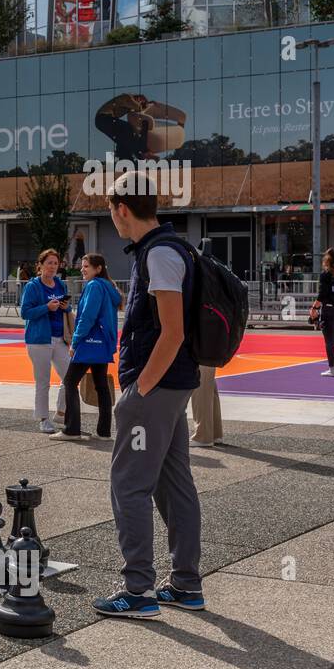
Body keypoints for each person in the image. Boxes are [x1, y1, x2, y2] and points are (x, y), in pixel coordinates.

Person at [94, 171, 204, 619]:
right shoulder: (169, 247)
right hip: (175, 386)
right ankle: (185, 584)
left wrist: (139, 389)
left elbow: (172, 332)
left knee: (129, 484)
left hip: (156, 387)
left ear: (122, 209)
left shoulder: (158, 254)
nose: (114, 220)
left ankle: (138, 590)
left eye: (111, 212)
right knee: (173, 483)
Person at [51, 253, 121, 441]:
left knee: (70, 382)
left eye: (86, 266)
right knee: (101, 386)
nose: (82, 269)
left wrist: (75, 340)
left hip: (90, 342)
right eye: (82, 266)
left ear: (98, 269)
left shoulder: (94, 286)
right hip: (103, 343)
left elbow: (87, 317)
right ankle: (104, 431)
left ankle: (71, 429)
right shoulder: (109, 287)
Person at [20, 249, 72, 434]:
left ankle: (61, 411)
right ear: (40, 265)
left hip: (60, 338)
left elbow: (67, 308)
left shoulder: (60, 284)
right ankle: (43, 419)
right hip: (39, 339)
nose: (52, 266)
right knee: (43, 382)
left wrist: (66, 307)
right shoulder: (33, 286)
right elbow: (25, 312)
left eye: (55, 263)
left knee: (70, 376)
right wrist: (46, 307)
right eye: (49, 263)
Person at [189, 239, 224, 448]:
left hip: (202, 336)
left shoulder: (200, 277)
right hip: (214, 335)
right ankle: (215, 432)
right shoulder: (215, 274)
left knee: (200, 385)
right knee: (209, 386)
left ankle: (203, 435)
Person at [310, 247, 334, 378]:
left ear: (326, 260)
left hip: (328, 310)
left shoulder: (325, 275)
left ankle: (332, 369)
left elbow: (322, 294)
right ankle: (333, 368)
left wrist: (314, 308)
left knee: (329, 341)